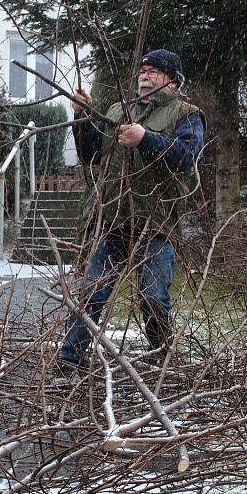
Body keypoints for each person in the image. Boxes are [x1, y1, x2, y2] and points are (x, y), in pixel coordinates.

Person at [59, 48, 205, 371]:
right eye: (143, 71)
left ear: (173, 80)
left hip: (156, 225)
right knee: (91, 294)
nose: (145, 76)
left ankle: (162, 361)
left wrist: (145, 139)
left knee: (153, 298)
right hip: (112, 222)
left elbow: (186, 157)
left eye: (154, 72)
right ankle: (69, 363)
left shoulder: (186, 114)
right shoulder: (117, 110)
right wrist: (82, 118)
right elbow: (91, 154)